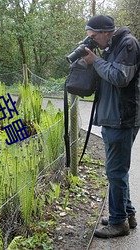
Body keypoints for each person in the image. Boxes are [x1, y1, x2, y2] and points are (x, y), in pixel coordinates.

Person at [82, 15, 140, 238]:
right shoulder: (111, 46)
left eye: (94, 37)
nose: (93, 41)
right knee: (117, 171)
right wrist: (92, 60)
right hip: (112, 117)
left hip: (122, 118)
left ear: (106, 32)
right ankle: (127, 214)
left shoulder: (128, 44)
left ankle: (118, 223)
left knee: (115, 171)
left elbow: (119, 77)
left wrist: (95, 61)